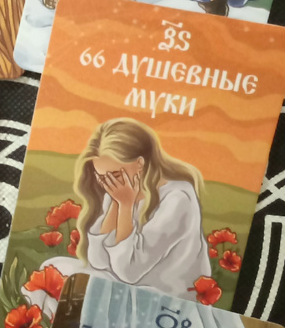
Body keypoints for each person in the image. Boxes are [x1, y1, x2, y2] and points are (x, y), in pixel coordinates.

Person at [73, 117, 210, 297]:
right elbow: (98, 261)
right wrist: (117, 204)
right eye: (103, 177)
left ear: (140, 163)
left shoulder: (177, 198)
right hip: (127, 288)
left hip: (165, 297)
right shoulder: (119, 193)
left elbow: (129, 271)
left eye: (115, 175)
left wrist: (126, 206)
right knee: (56, 268)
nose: (109, 184)